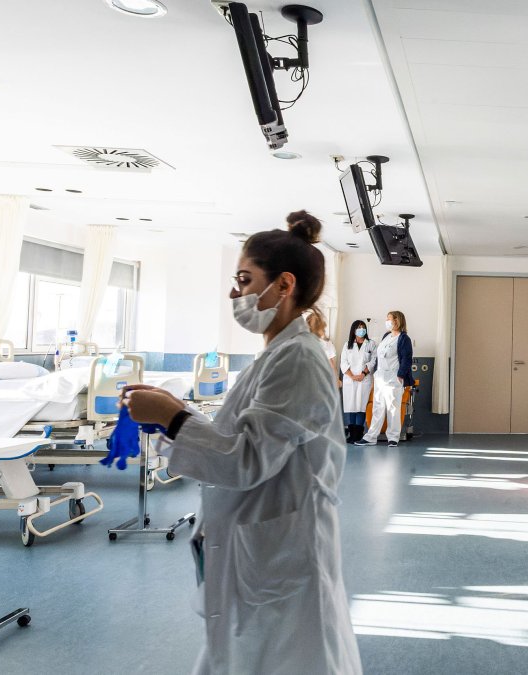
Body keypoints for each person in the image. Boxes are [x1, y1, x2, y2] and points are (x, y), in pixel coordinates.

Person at [122, 210, 362, 675]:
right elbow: (245, 437)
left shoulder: (297, 359)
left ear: (283, 286)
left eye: (244, 279)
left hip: (281, 550)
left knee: (291, 656)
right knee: (245, 654)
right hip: (261, 542)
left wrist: (173, 421)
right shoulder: (277, 353)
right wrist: (179, 410)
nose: (234, 292)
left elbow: (245, 461)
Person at [355, 310, 413, 448]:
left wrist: (400, 375)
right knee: (377, 407)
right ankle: (371, 437)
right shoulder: (386, 336)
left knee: (393, 408)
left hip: (394, 377)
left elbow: (406, 359)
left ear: (397, 321)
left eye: (389, 319)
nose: (387, 321)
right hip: (380, 377)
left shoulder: (404, 338)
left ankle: (393, 437)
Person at [340, 319, 376, 442]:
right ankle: (352, 434)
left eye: (363, 327)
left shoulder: (371, 344)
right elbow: (343, 363)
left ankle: (358, 434)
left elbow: (373, 361)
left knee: (361, 406)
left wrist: (363, 374)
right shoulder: (347, 344)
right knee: (351, 405)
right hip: (350, 380)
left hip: (364, 379)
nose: (362, 330)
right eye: (359, 327)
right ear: (354, 330)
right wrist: (352, 376)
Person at [306, 307, 339, 388]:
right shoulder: (324, 342)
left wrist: (336, 379)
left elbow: (332, 363)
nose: (324, 330)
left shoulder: (326, 342)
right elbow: (332, 363)